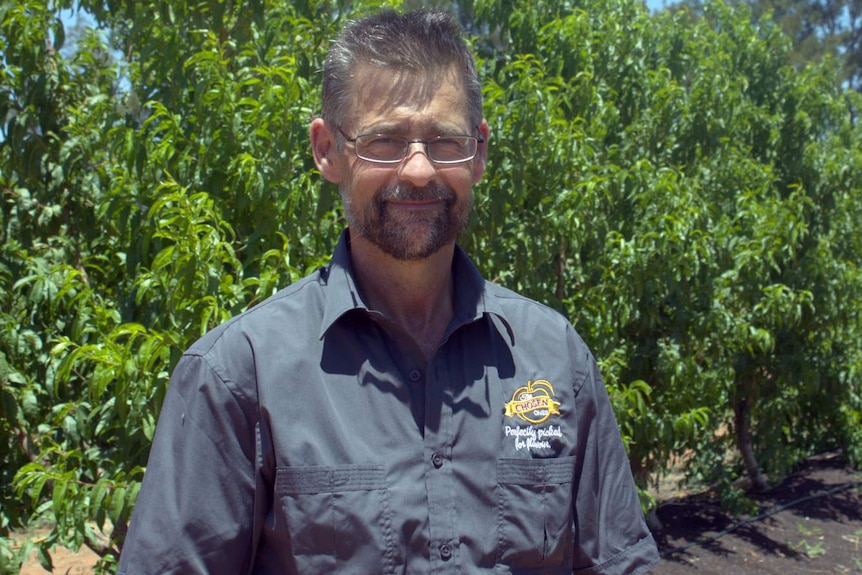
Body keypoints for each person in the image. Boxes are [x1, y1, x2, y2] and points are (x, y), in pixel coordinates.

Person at [117, 8, 660, 575]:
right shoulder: (237, 376)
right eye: (385, 140)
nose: (420, 169)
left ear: (479, 152)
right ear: (327, 150)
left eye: (445, 141)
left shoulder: (555, 356)